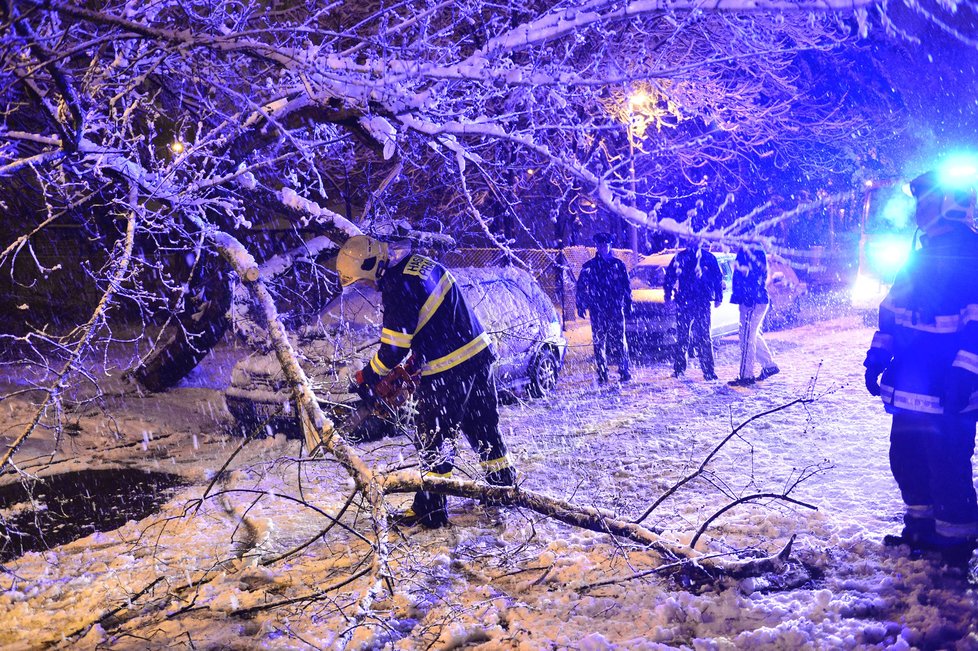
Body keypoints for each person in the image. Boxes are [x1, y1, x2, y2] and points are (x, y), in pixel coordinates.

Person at [336, 235, 517, 529]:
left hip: (449, 366)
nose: (367, 286)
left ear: (371, 266)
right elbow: (434, 319)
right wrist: (417, 359)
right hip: (477, 356)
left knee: (435, 439)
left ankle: (429, 512)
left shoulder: (397, 285)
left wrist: (368, 377)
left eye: (364, 281)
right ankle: (504, 490)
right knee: (483, 426)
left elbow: (393, 348)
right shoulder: (418, 265)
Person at [863, 168, 978, 565]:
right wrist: (877, 356)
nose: (918, 211)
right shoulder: (919, 257)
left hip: (949, 389)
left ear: (949, 207)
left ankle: (957, 542)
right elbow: (891, 313)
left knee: (947, 465)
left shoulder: (970, 259)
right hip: (913, 388)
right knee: (906, 458)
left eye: (925, 202)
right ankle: (922, 530)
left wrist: (965, 374)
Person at [576, 232, 632, 384]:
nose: (603, 248)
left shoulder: (618, 265)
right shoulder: (590, 267)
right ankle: (602, 371)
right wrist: (581, 305)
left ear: (610, 245)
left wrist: (628, 303)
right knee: (599, 342)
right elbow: (581, 287)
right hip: (598, 309)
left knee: (620, 340)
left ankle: (624, 370)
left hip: (615, 308)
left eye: (605, 245)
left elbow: (626, 286)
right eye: (600, 245)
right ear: (597, 246)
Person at [664, 241, 723, 381]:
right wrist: (668, 296)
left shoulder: (707, 258)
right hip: (686, 301)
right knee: (685, 337)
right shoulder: (682, 258)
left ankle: (707, 370)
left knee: (702, 337)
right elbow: (670, 277)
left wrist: (718, 296)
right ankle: (681, 369)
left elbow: (717, 278)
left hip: (700, 302)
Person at [728, 243, 779, 386]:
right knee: (751, 335)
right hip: (753, 299)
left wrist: (748, 297)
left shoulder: (752, 250)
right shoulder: (753, 249)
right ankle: (769, 366)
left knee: (746, 338)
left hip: (752, 300)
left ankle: (746, 375)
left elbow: (754, 276)